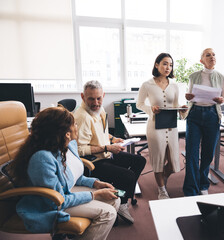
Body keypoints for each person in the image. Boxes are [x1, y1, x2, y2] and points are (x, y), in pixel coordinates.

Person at [13, 107, 119, 240]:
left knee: (115, 199)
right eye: (74, 124)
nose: (77, 126)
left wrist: (96, 183)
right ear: (66, 133)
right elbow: (57, 201)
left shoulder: (63, 147)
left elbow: (72, 177)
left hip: (66, 192)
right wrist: (95, 194)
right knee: (108, 213)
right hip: (50, 203)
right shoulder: (42, 158)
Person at [74, 80, 146, 224]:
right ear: (82, 96)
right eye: (91, 98)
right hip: (93, 163)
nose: (96, 102)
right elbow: (80, 150)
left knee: (140, 161)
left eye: (99, 98)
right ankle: (122, 200)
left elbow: (102, 133)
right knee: (128, 176)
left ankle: (119, 197)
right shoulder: (82, 117)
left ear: (103, 95)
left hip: (106, 153)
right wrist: (107, 147)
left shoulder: (99, 110)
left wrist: (113, 138)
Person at [137, 53, 187, 200]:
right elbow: (139, 104)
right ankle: (161, 189)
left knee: (172, 163)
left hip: (171, 127)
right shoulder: (147, 85)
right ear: (156, 65)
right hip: (155, 127)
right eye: (165, 64)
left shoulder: (174, 85)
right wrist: (150, 109)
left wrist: (182, 109)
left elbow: (176, 105)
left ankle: (162, 177)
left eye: (170, 65)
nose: (168, 67)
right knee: (158, 159)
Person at [183, 48, 224, 196]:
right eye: (208, 55)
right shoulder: (193, 76)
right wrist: (188, 97)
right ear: (201, 60)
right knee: (192, 153)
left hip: (212, 115)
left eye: (214, 54)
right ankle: (191, 189)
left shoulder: (221, 77)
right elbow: (190, 97)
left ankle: (203, 183)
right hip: (195, 114)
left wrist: (221, 100)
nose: (212, 57)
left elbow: (223, 99)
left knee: (208, 152)